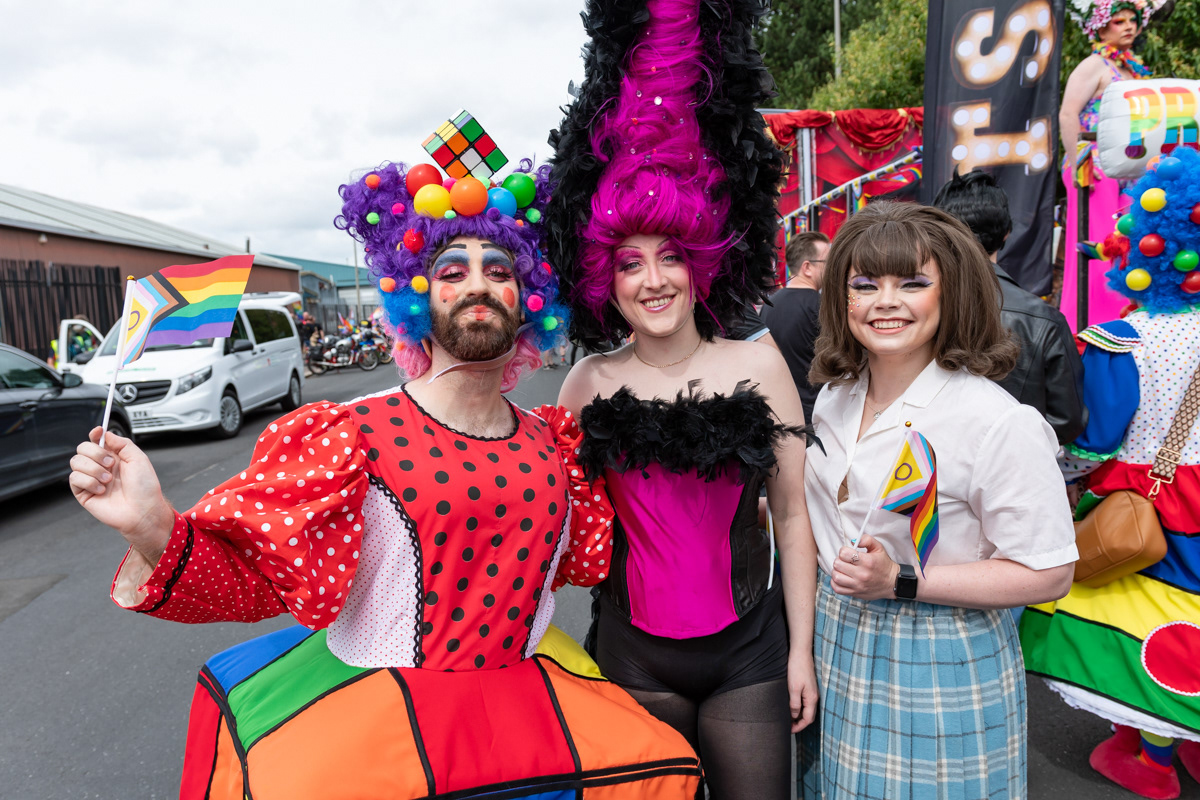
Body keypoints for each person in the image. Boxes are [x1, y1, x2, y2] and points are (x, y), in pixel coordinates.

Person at [68, 153, 701, 799]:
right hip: (380, 727)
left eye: (500, 271)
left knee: (666, 768)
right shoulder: (350, 436)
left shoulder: (557, 444)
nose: (479, 286)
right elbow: (255, 579)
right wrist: (151, 526)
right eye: (452, 271)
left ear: (529, 300)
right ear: (416, 296)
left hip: (532, 716)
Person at [546, 2, 819, 797]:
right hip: (632, 657)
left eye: (669, 256)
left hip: (750, 656)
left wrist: (802, 652)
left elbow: (793, 518)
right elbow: (546, 519)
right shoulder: (587, 383)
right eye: (629, 263)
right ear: (606, 281)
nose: (653, 279)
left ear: (700, 263)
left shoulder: (759, 366)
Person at [799, 202, 1077, 799]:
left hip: (941, 646)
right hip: (837, 636)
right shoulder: (835, 398)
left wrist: (900, 580)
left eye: (913, 283)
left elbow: (1050, 572)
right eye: (864, 285)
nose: (885, 302)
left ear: (952, 293)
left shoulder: (996, 421)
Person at [1020, 147, 1200, 800]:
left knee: (1144, 614)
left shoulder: (1122, 339)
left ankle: (1154, 758)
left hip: (1154, 495)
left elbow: (1096, 439)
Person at [933, 169, 1087, 443]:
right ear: (1006, 234)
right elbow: (1067, 420)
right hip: (1019, 457)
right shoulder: (1043, 318)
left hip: (925, 460)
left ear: (939, 232)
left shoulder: (913, 308)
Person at [1059, 0, 1155, 331]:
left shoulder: (1133, 69)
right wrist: (1079, 162)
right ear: (1100, 28)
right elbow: (1068, 114)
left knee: (1127, 242)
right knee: (1099, 243)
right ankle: (1092, 327)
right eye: (1119, 21)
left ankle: (1124, 322)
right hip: (1094, 164)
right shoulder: (1093, 65)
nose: (1128, 26)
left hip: (1129, 166)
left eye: (1132, 20)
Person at [761, 232, 830, 423]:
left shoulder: (770, 304)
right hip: (816, 414)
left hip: (780, 412)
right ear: (807, 267)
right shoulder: (822, 306)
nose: (833, 267)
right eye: (828, 261)